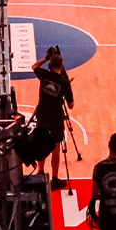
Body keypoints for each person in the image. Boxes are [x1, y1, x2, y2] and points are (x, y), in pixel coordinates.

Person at [30, 50, 73, 186]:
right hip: (56, 119)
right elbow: (70, 105)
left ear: (49, 64)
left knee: (42, 144)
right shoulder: (64, 83)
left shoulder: (44, 75)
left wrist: (45, 58)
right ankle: (54, 178)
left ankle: (40, 171)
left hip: (42, 116)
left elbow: (34, 66)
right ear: (61, 65)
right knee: (55, 148)